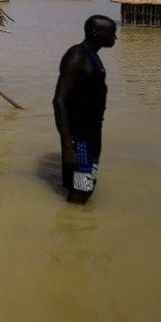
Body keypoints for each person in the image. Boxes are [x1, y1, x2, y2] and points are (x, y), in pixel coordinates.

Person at [53, 15, 117, 204]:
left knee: (86, 184)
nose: (114, 38)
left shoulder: (93, 57)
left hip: (91, 134)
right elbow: (59, 101)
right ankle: (73, 228)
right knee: (81, 191)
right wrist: (67, 146)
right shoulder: (77, 56)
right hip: (78, 138)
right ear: (95, 32)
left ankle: (73, 225)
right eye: (111, 33)